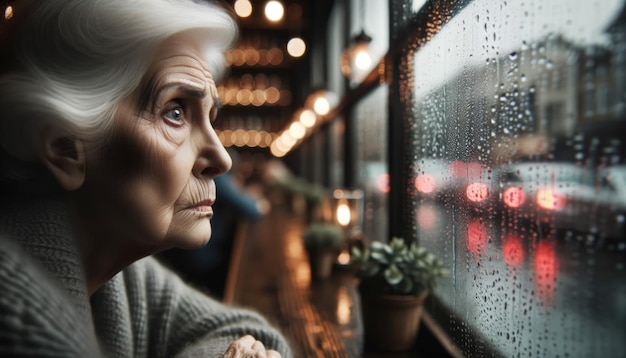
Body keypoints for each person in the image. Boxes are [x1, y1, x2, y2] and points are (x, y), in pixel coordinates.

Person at [0, 0, 292, 357]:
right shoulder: (17, 311)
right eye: (174, 112)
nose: (222, 158)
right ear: (66, 149)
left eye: (210, 116)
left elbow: (251, 333)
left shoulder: (118, 269)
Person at [160, 148, 270, 298]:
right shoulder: (217, 177)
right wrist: (259, 203)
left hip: (189, 254)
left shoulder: (213, 177)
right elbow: (251, 210)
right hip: (203, 257)